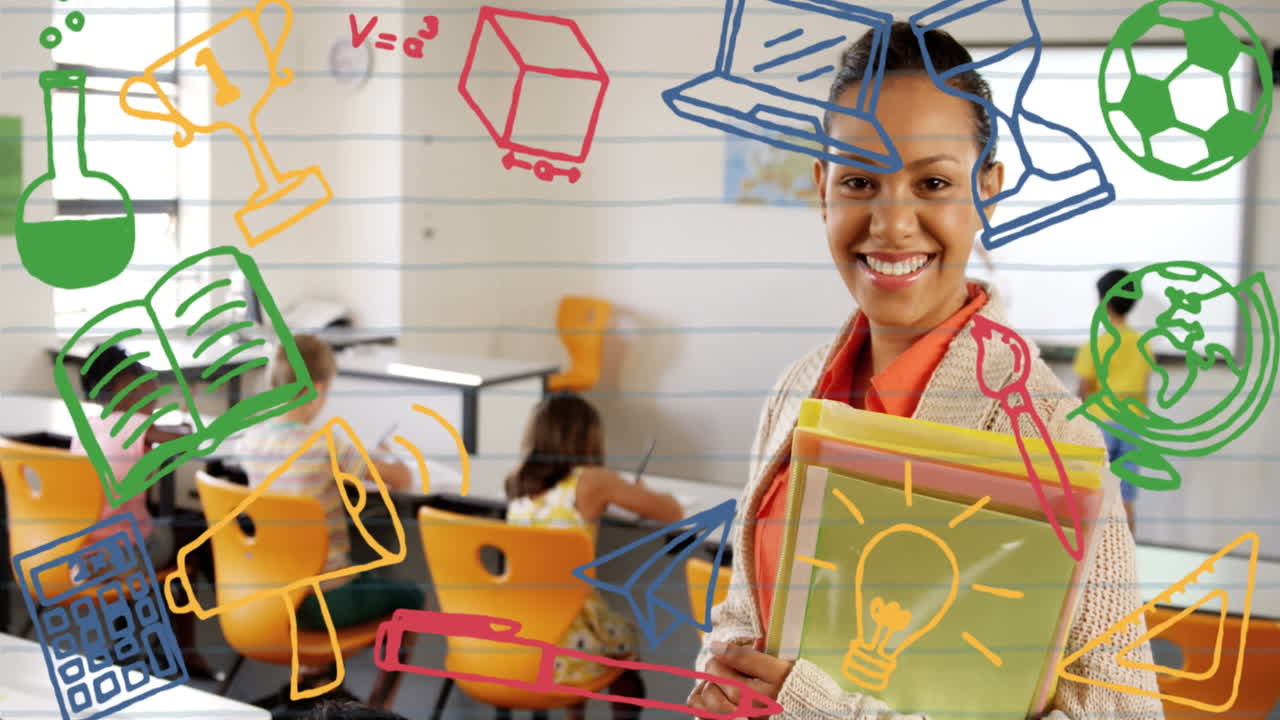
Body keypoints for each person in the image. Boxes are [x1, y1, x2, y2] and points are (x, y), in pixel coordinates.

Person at [687, 23, 1163, 720]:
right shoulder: (795, 389)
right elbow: (744, 613)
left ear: (988, 190)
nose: (892, 223)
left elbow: (1125, 713)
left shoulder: (1053, 433)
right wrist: (724, 668)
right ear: (823, 188)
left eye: (932, 182)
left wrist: (815, 704)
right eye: (859, 181)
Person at [234, 335, 423, 685]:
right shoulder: (326, 443)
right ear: (317, 389)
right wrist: (391, 459)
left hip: (268, 596)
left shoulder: (250, 441)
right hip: (323, 601)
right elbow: (401, 480)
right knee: (411, 597)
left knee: (361, 575)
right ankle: (382, 702)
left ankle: (314, 674)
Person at [505, 393, 683, 720]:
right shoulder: (592, 481)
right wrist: (645, 492)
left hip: (519, 635)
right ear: (588, 437)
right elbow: (671, 511)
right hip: (568, 639)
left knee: (587, 626)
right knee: (625, 638)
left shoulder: (517, 482)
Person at [71, 343, 219, 680]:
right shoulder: (138, 427)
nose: (153, 386)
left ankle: (131, 638)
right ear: (126, 386)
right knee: (192, 536)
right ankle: (184, 650)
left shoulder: (87, 427)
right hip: (123, 555)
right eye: (144, 377)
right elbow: (186, 441)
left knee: (162, 528)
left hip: (81, 552)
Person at [1075, 269, 1150, 533]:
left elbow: (1084, 389)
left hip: (1101, 423)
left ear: (1103, 301)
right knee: (1126, 498)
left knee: (1093, 494)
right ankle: (1127, 561)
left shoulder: (1096, 343)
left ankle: (1092, 560)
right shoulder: (1143, 343)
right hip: (1132, 424)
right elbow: (1145, 389)